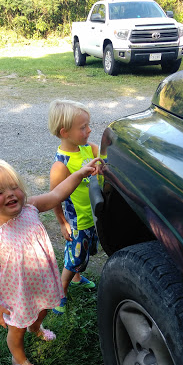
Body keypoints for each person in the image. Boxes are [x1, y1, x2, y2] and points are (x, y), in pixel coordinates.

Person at [0, 158, 100, 365]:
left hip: (41, 281)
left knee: (43, 309)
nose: (11, 194)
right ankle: (19, 360)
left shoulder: (31, 207)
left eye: (14, 187)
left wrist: (79, 173)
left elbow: (57, 194)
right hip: (18, 293)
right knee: (17, 330)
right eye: (0, 192)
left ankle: (37, 328)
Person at [49, 99, 109, 315]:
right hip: (77, 223)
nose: (89, 130)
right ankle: (60, 292)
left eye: (88, 125)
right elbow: (55, 197)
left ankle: (75, 279)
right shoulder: (61, 165)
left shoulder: (86, 148)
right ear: (65, 132)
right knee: (73, 259)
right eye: (83, 127)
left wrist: (101, 166)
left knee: (85, 253)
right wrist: (63, 223)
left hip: (91, 217)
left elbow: (102, 156)